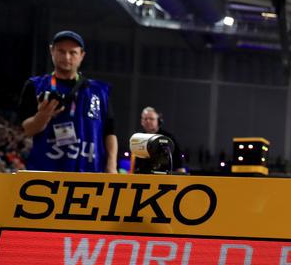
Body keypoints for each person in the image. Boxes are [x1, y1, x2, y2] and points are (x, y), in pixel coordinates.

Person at [18, 30, 117, 173]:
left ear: (82, 55)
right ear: (52, 51)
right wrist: (44, 114)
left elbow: (110, 132)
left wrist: (111, 166)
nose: (67, 57)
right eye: (61, 51)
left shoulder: (99, 90)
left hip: (89, 171)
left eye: (73, 52)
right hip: (47, 171)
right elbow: (28, 130)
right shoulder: (35, 86)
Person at [134, 106, 187, 174]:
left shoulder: (168, 138)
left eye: (151, 119)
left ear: (159, 121)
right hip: (142, 177)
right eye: (145, 119)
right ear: (141, 121)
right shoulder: (138, 137)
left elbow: (178, 162)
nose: (148, 121)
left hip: (164, 177)